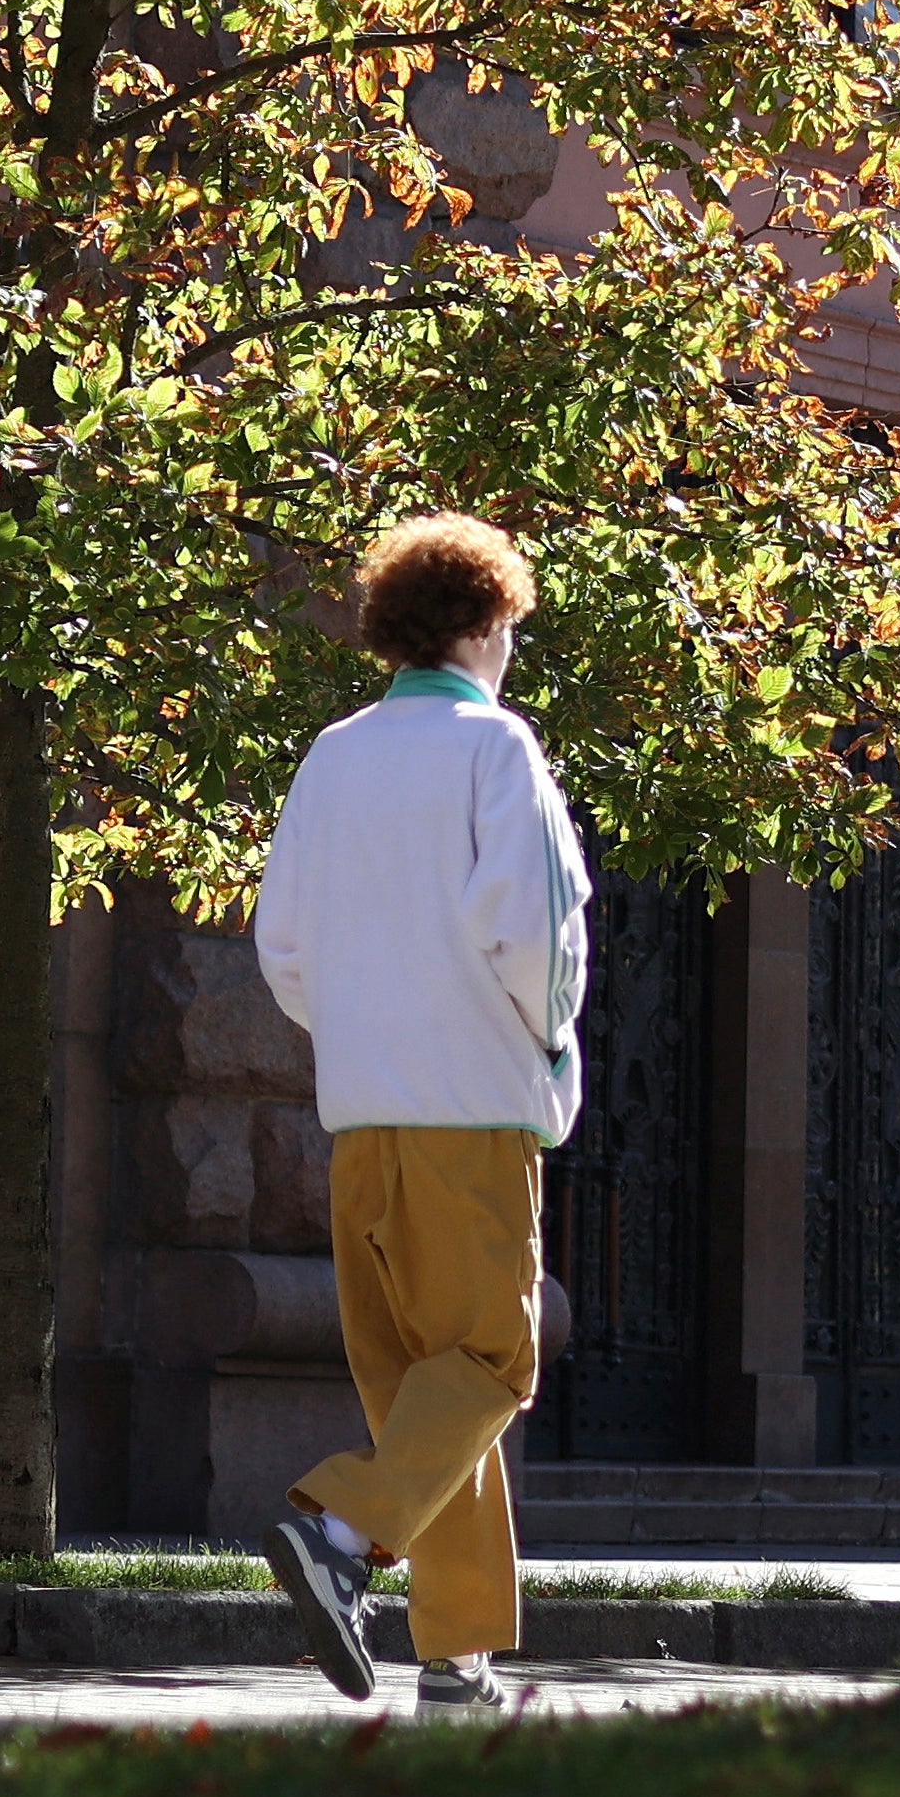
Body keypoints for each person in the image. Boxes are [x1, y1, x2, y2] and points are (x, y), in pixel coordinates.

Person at [252, 513, 590, 1716]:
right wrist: (546, 1048)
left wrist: (365, 1028)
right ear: (482, 622)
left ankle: (458, 1657)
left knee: (421, 1392)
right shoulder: (496, 749)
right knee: (493, 1360)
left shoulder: (331, 756)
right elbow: (538, 937)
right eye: (511, 627)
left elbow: (282, 947)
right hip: (472, 1112)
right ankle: (338, 1531)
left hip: (364, 1118)